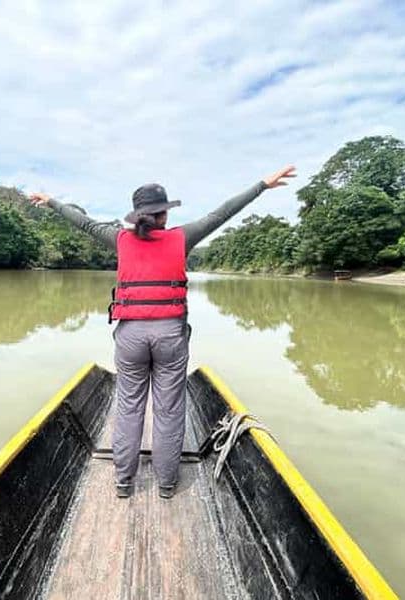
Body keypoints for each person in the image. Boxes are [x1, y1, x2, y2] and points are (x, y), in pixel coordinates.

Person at [29, 165, 296, 498]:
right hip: (170, 336)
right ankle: (167, 484)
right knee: (169, 410)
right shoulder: (182, 238)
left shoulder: (120, 238)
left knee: (128, 407)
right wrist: (262, 185)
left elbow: (82, 221)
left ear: (137, 215)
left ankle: (124, 483)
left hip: (130, 338)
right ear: (163, 214)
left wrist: (51, 201)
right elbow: (222, 213)